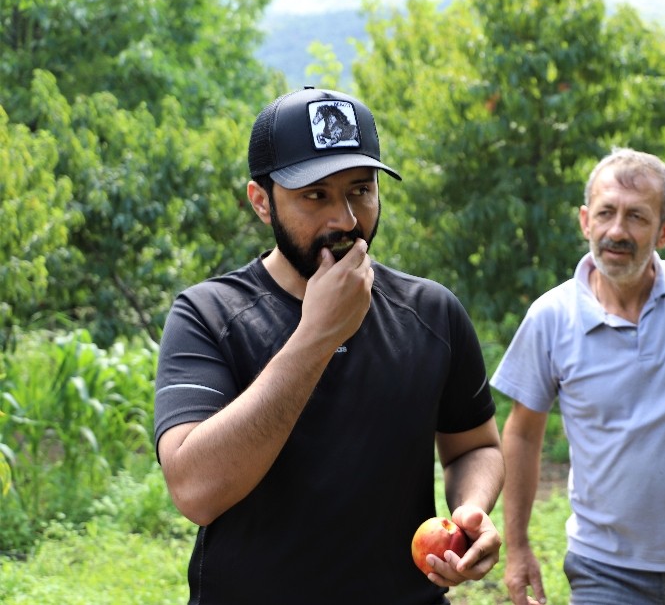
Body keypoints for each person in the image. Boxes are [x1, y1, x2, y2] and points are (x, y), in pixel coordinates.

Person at [153, 86, 504, 604]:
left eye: (361, 189)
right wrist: (318, 335)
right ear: (261, 202)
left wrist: (471, 508)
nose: (344, 219)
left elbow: (474, 445)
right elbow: (196, 490)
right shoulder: (209, 315)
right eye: (315, 195)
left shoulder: (431, 312)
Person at [493, 148, 665, 605]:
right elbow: (522, 435)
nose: (617, 231)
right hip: (605, 570)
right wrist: (517, 549)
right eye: (606, 213)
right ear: (584, 221)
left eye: (636, 217)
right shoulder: (551, 317)